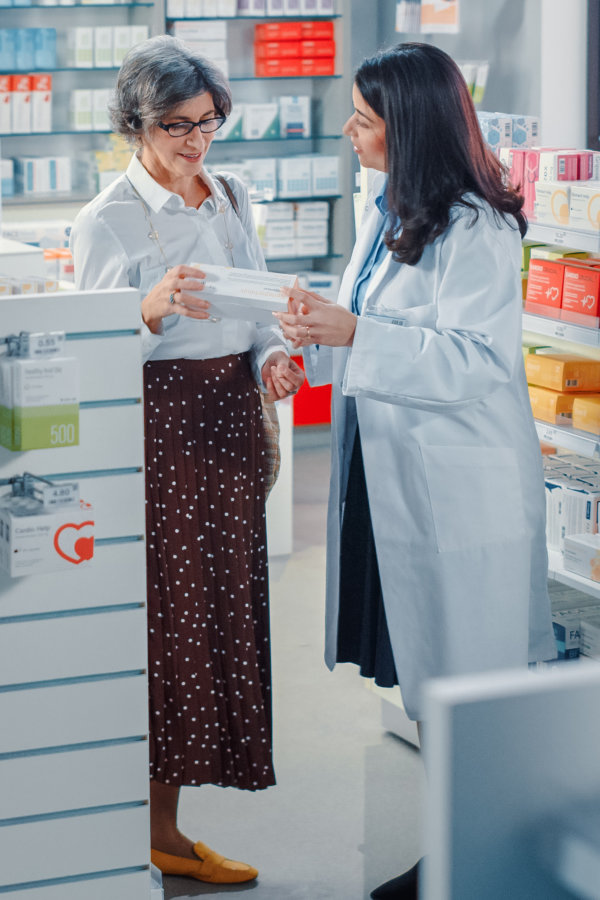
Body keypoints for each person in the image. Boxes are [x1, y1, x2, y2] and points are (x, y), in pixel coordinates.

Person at [275, 42, 556, 900]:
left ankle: (477, 862)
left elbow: (471, 360)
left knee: (465, 689)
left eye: (364, 119)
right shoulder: (394, 207)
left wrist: (351, 334)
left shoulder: (475, 224)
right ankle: (457, 853)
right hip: (395, 486)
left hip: (455, 498)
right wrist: (315, 339)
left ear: (411, 127)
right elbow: (372, 321)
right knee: (432, 683)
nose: (350, 133)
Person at [70, 34, 304, 886]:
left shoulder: (230, 194)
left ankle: (170, 824)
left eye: (209, 123)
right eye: (177, 125)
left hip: (231, 421)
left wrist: (272, 354)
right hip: (159, 434)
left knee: (221, 617)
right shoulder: (106, 219)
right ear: (135, 123)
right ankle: (153, 830)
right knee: (167, 628)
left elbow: (261, 306)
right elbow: (93, 356)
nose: (196, 142)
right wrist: (147, 311)